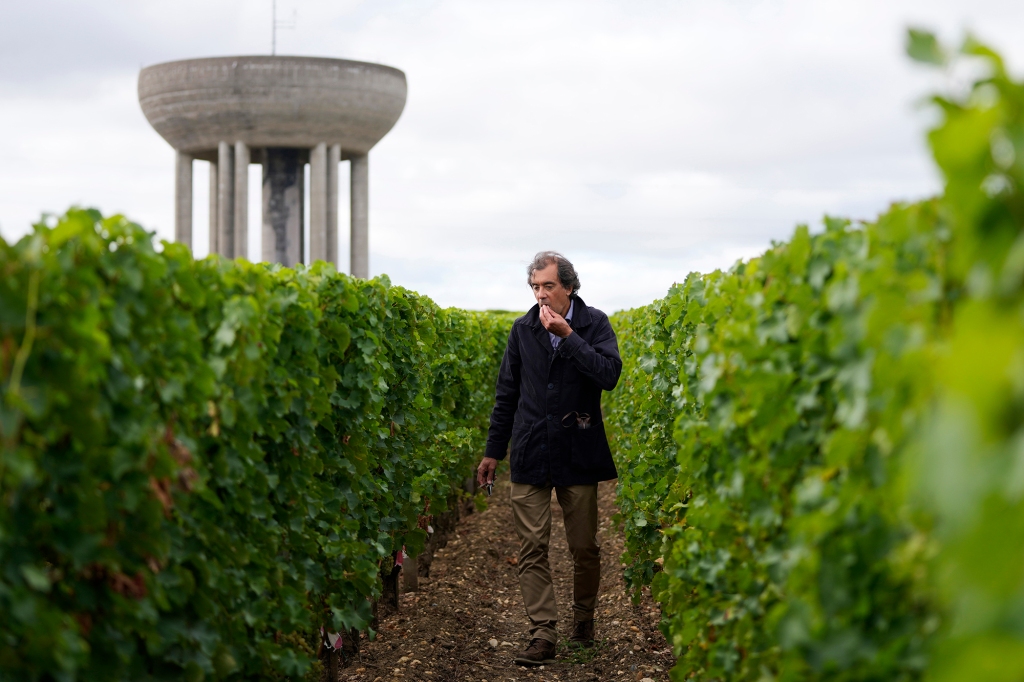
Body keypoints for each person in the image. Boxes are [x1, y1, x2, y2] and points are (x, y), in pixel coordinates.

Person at [476, 251, 622, 666]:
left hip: (578, 447)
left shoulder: (594, 323)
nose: (541, 295)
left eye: (548, 286)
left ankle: (583, 621)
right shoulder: (522, 329)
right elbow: (506, 395)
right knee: (532, 548)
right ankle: (543, 632)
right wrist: (493, 451)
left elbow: (609, 376)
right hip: (530, 448)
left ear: (569, 287)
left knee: (584, 547)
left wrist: (570, 336)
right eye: (535, 287)